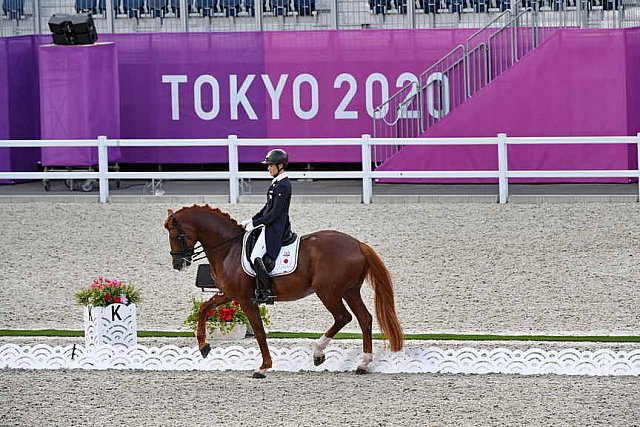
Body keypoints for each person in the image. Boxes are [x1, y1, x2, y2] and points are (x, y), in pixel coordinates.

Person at [241, 148, 292, 305]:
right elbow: (267, 208)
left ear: (280, 166)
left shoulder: (283, 185)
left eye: (271, 165)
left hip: (276, 227)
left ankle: (266, 292)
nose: (268, 168)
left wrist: (256, 224)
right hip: (269, 223)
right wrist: (251, 220)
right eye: (268, 165)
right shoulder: (276, 183)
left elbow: (274, 214)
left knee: (255, 256)